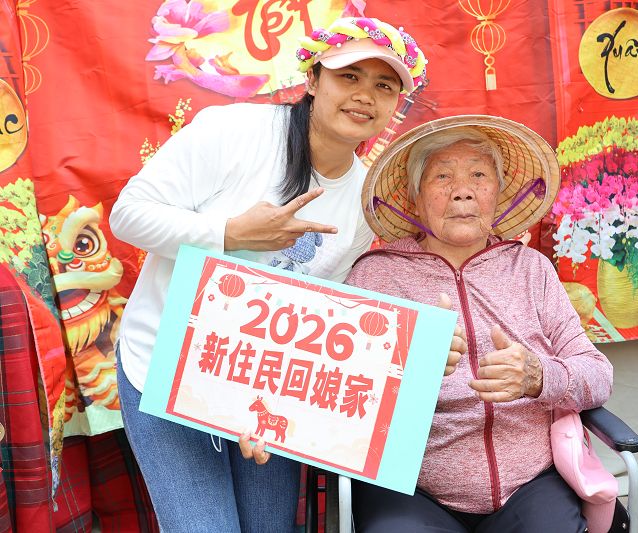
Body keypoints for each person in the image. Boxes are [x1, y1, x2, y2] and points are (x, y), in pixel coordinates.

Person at [109, 17, 427, 533]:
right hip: (167, 367)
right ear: (312, 79)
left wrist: (415, 355)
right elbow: (128, 216)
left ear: (396, 104)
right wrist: (230, 233)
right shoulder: (233, 131)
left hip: (264, 392)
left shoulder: (367, 201)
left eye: (384, 86)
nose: (365, 95)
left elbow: (323, 318)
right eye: (349, 76)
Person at [346, 116, 614, 532]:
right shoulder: (377, 275)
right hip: (413, 487)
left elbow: (597, 375)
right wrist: (409, 370)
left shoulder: (530, 269)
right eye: (442, 176)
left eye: (478, 175)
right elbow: (343, 392)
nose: (463, 190)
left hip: (531, 484)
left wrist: (538, 376)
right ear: (415, 200)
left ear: (497, 196)